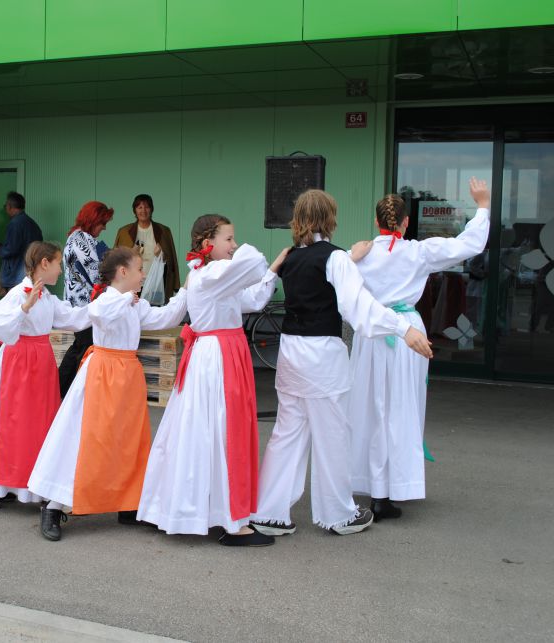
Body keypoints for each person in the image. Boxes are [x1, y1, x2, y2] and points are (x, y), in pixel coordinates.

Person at [248, 190, 433, 538]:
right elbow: (358, 307)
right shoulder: (335, 259)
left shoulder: (291, 258)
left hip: (290, 352)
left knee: (287, 434)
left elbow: (317, 275)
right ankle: (339, 514)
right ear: (330, 218)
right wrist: (403, 328)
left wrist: (349, 256)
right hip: (323, 357)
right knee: (332, 434)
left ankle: (269, 512)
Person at [347, 179, 490, 520]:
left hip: (371, 333)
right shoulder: (418, 252)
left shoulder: (361, 254)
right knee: (401, 408)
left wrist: (350, 258)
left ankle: (372, 485)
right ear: (406, 222)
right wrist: (482, 205)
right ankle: (393, 488)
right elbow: (467, 244)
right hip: (407, 333)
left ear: (378, 221)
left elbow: (336, 279)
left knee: (369, 407)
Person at [137, 215, 280, 546]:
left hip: (213, 353)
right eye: (228, 239)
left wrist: (273, 271)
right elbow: (254, 261)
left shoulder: (209, 276)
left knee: (202, 430)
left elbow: (252, 299)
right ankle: (231, 520)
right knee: (221, 430)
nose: (233, 245)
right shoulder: (212, 274)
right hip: (218, 356)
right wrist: (262, 263)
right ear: (207, 245)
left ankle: (198, 508)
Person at [28, 248, 189, 541]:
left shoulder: (132, 304)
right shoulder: (108, 300)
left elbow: (164, 317)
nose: (143, 275)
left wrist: (185, 293)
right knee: (87, 438)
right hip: (102, 373)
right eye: (140, 269)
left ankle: (128, 503)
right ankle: (54, 505)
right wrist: (128, 298)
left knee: (127, 440)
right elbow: (101, 313)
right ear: (123, 273)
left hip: (126, 373)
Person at [0, 241, 90, 509]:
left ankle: (29, 483)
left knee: (37, 422)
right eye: (58, 264)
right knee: (8, 422)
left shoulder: (46, 296)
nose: (61, 271)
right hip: (19, 362)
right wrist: (24, 308)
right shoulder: (20, 294)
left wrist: (106, 305)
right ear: (44, 264)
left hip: (39, 360)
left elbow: (74, 318)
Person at [58, 201, 114, 396]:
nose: (105, 227)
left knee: (81, 346)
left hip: (81, 303)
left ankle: (63, 390)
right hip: (84, 304)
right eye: (103, 222)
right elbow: (96, 273)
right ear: (93, 220)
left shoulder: (77, 236)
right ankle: (65, 391)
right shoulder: (82, 239)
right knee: (82, 347)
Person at [114, 194, 180, 304]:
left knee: (155, 312)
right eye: (139, 207)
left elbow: (172, 259)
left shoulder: (164, 231)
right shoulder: (124, 232)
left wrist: (161, 254)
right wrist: (132, 254)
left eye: (147, 207)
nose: (143, 210)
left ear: (151, 209)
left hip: (157, 283)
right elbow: (116, 259)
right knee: (132, 313)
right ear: (134, 210)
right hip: (132, 283)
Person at [0, 191, 42, 292]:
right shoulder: (33, 224)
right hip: (31, 274)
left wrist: (0, 250)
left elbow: (11, 249)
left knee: (15, 305)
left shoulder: (15, 224)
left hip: (16, 275)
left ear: (10, 206)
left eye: (5, 206)